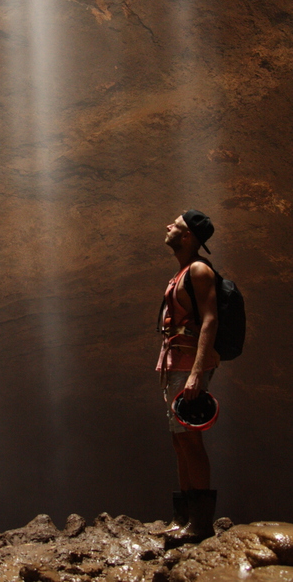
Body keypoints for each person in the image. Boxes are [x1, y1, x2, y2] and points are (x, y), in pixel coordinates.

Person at [156, 209, 219, 544]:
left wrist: (196, 373)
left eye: (175, 225)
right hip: (174, 363)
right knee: (179, 439)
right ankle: (182, 518)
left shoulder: (197, 270)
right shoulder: (181, 272)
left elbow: (210, 320)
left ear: (188, 236)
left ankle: (200, 524)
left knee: (191, 439)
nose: (168, 225)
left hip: (189, 365)